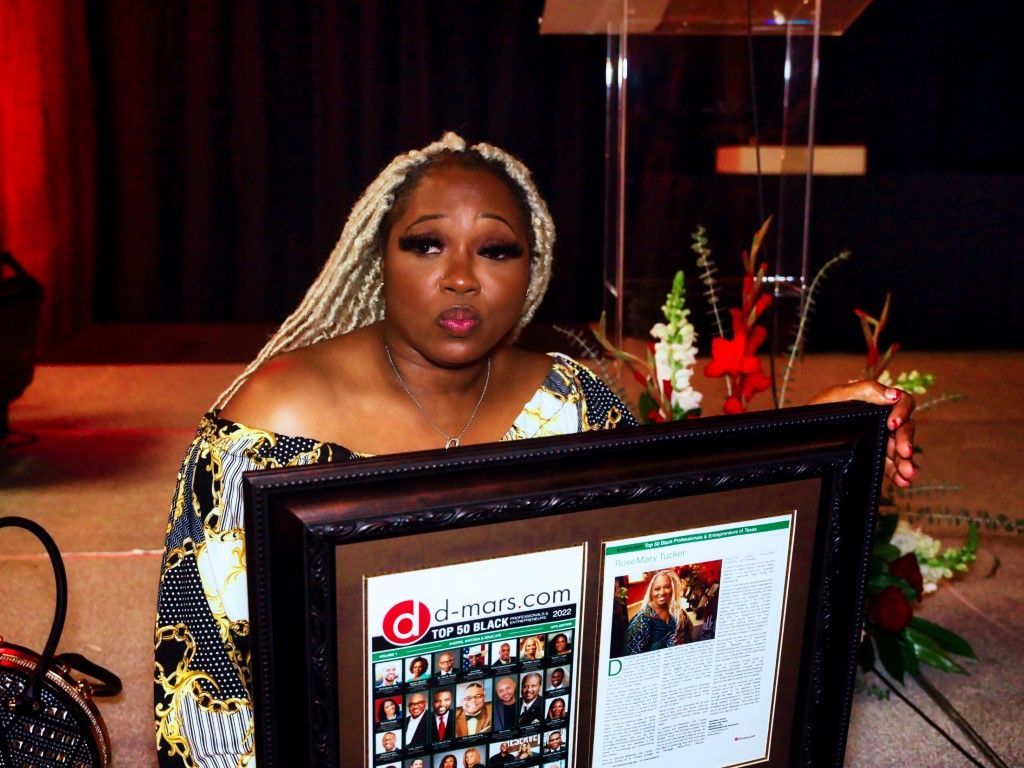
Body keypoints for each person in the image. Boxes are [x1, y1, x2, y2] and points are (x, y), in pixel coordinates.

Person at [154, 133, 918, 765]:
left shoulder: (574, 400)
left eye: (496, 250)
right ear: (377, 260)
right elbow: (207, 677)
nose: (459, 278)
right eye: (426, 245)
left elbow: (669, 553)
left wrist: (826, 441)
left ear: (533, 271)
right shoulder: (274, 416)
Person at [622, 570, 683, 655]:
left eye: (667, 587)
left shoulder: (673, 612)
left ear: (672, 589)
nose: (662, 592)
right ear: (651, 592)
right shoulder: (641, 621)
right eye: (657, 589)